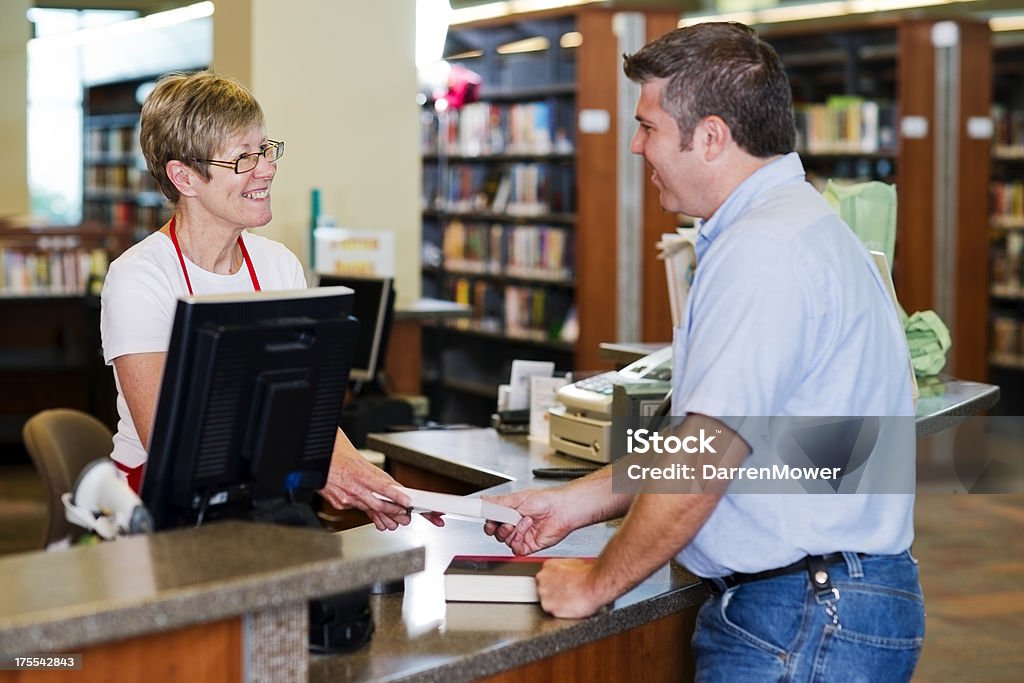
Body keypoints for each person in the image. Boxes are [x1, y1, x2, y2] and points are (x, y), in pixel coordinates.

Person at [484, 22, 924, 681]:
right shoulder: (795, 224)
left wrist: (596, 582)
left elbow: (709, 455)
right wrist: (577, 500)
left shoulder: (764, 250)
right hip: (828, 603)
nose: (636, 146)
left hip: (799, 617)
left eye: (649, 127)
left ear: (712, 136)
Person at [100, 71, 433, 531]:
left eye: (265, 149)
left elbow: (308, 409)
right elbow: (170, 443)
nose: (267, 168)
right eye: (243, 158)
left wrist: (358, 473)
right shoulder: (139, 278)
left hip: (262, 492)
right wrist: (318, 465)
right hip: (161, 508)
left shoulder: (278, 265)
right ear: (184, 177)